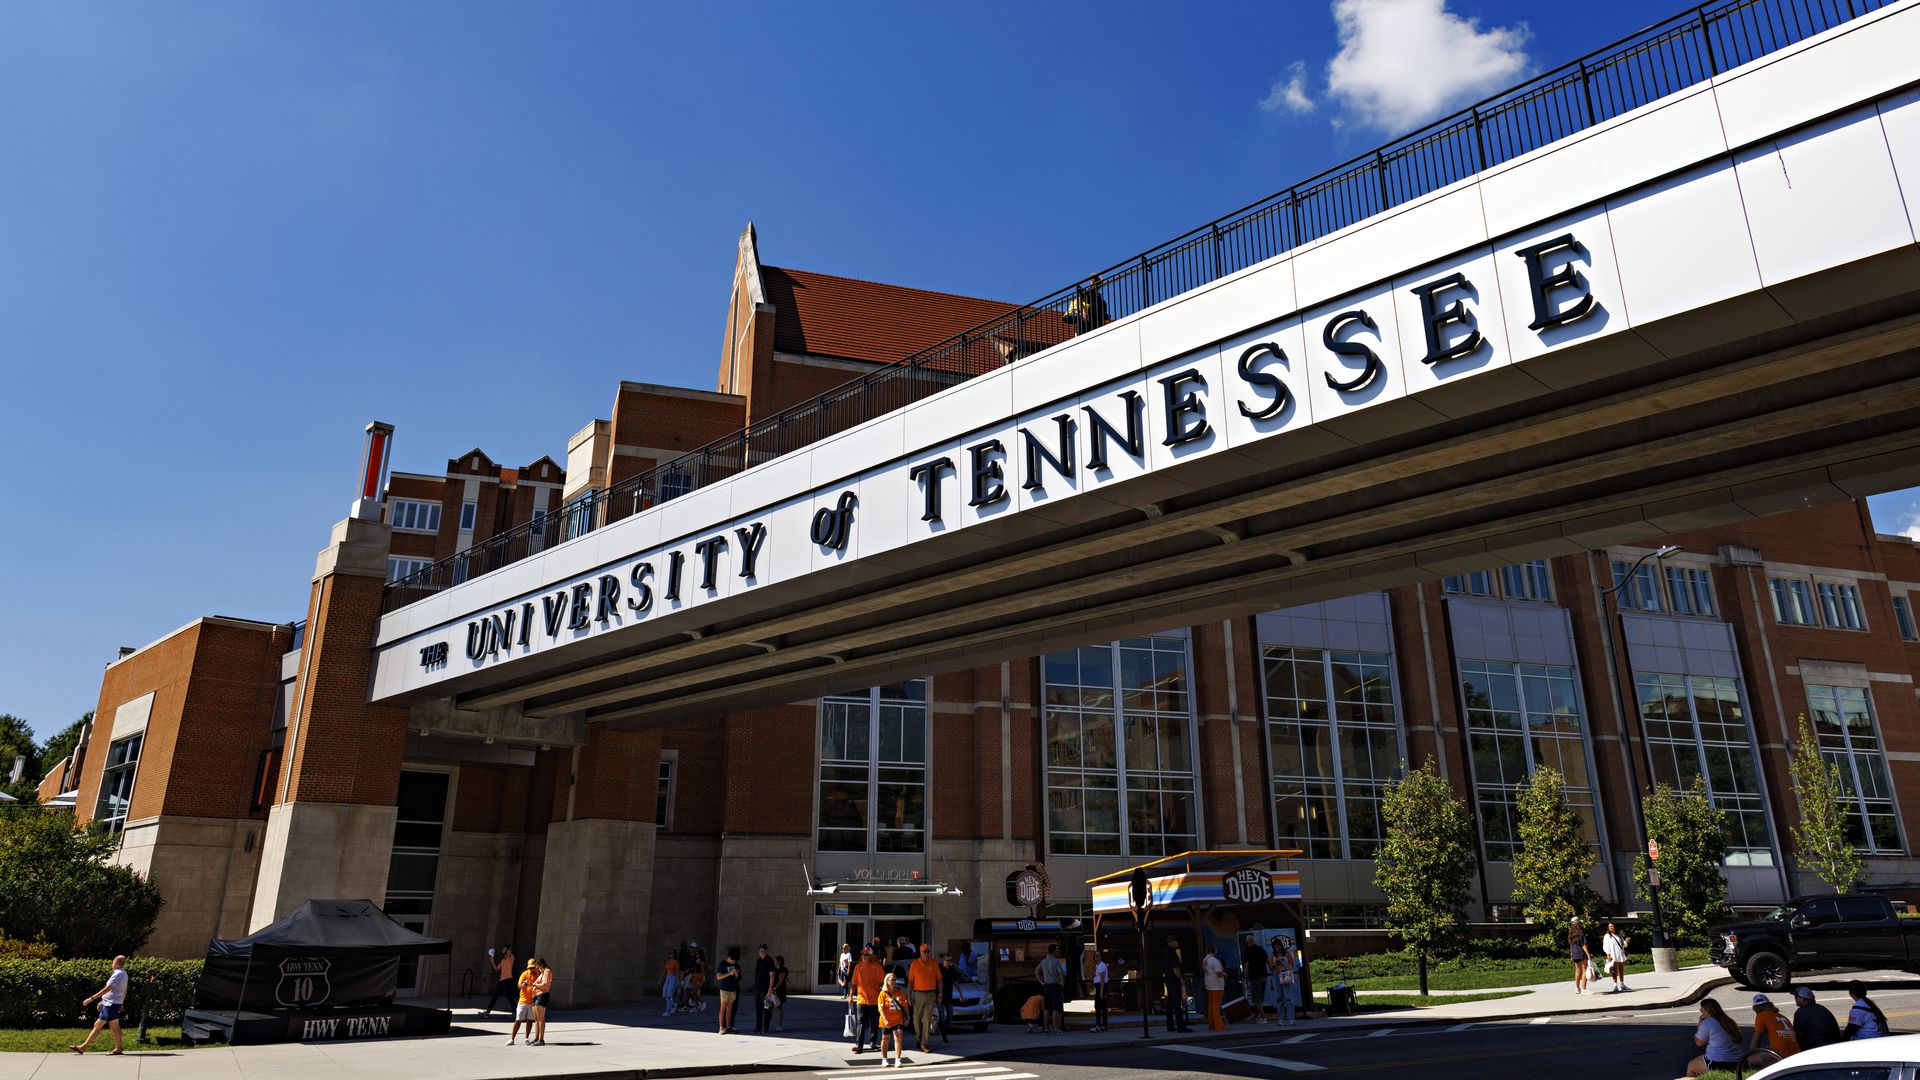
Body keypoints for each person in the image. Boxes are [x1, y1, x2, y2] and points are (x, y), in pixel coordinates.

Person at [70, 954, 129, 1055]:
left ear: (116, 963)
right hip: (112, 1003)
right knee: (98, 1025)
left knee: (114, 1026)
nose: (112, 963)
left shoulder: (117, 974)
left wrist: (91, 998)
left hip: (111, 1003)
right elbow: (125, 989)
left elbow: (107, 988)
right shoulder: (124, 973)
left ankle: (118, 1048)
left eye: (113, 961)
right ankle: (83, 1047)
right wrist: (121, 1002)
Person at [1682, 998, 1742, 1076]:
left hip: (1718, 1062)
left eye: (1701, 1010)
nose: (1701, 1013)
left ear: (1707, 1010)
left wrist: (1699, 1026)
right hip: (1738, 1061)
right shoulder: (1729, 1021)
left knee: (1691, 1066)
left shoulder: (1707, 1023)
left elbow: (1699, 1043)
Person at [852, 945, 885, 1053]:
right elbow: (854, 983)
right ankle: (859, 1045)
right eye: (863, 954)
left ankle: (872, 1043)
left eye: (866, 954)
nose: (864, 956)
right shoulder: (858, 967)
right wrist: (850, 995)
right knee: (860, 1022)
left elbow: (883, 983)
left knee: (873, 1023)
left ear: (871, 955)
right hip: (861, 1000)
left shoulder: (878, 967)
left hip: (874, 1000)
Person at [909, 943, 942, 1051]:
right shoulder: (915, 964)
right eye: (925, 952)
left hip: (931, 994)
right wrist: (909, 996)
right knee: (916, 1019)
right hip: (918, 994)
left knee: (928, 1019)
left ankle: (925, 1043)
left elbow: (939, 980)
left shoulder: (934, 963)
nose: (927, 953)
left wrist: (940, 994)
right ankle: (918, 1039)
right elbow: (910, 981)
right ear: (920, 952)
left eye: (928, 951)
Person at [1748, 994, 1802, 1060]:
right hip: (1796, 1053)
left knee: (1754, 1059)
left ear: (1755, 1008)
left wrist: (1751, 1054)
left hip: (1780, 1054)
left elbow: (1756, 1039)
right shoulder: (1782, 1016)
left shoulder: (1761, 1015)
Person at [878, 972, 910, 1068]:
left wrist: (908, 1016)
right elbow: (880, 1008)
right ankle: (884, 1059)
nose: (894, 981)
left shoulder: (900, 992)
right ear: (887, 981)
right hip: (886, 1020)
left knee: (898, 1038)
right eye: (892, 980)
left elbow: (905, 1005)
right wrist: (885, 1019)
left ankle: (898, 1060)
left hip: (898, 1019)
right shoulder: (883, 994)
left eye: (895, 980)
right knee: (885, 1039)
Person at [1036, 942, 1068, 1035]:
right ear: (1054, 951)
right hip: (1055, 985)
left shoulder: (1043, 961)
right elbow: (1061, 973)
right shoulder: (1056, 961)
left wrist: (1041, 982)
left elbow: (1036, 971)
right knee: (1055, 1008)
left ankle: (1046, 1028)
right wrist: (1062, 983)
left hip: (1046, 986)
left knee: (1046, 1008)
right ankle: (1056, 1028)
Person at [1162, 936, 1192, 1033]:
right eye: (1176, 940)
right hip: (1174, 981)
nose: (1177, 942)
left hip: (1168, 980)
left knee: (1170, 1004)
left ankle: (1170, 1025)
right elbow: (1175, 968)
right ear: (1172, 941)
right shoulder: (1172, 953)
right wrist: (1181, 979)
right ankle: (1181, 1026)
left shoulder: (1166, 952)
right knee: (1177, 1004)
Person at [508, 957, 538, 1045]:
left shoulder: (538, 974)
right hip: (523, 1001)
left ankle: (526, 1038)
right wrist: (524, 984)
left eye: (533, 967)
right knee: (518, 1020)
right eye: (530, 968)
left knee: (530, 1020)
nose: (531, 969)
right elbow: (519, 986)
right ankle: (512, 1039)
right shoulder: (524, 974)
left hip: (532, 1001)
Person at [1272, 940, 1301, 1027]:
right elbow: (1271, 966)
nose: (1277, 948)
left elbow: (1292, 964)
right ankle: (1281, 1019)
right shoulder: (1273, 954)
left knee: (1288, 997)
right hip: (1277, 975)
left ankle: (1291, 1019)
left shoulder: (1287, 953)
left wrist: (1284, 966)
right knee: (1279, 998)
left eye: (1279, 946)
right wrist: (1275, 964)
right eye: (1276, 947)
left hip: (1285, 975)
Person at [715, 947, 742, 1035]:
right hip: (724, 989)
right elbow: (718, 977)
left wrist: (736, 975)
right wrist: (729, 974)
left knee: (730, 1009)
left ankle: (729, 1026)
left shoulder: (737, 965)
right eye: (733, 960)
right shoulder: (722, 964)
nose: (734, 962)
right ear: (730, 958)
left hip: (733, 989)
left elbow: (738, 978)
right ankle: (721, 1027)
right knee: (722, 1008)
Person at [1202, 943, 1228, 1031]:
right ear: (1215, 950)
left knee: (1211, 1005)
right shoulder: (1214, 960)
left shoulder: (1205, 960)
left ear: (1207, 950)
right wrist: (1225, 974)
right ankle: (1219, 1025)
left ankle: (1212, 1024)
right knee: (1216, 1005)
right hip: (1217, 985)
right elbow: (1219, 973)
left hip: (1209, 985)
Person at [1243, 934, 1269, 1023]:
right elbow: (1268, 960)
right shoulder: (1260, 949)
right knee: (1260, 998)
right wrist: (1272, 969)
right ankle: (1257, 1016)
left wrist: (1245, 977)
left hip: (1254, 977)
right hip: (1263, 976)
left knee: (1257, 999)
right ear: (1253, 941)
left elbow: (1246, 965)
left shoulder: (1247, 951)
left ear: (1247, 941)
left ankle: (1263, 1018)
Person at [484, 945, 516, 1015]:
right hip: (502, 980)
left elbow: (510, 953)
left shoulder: (511, 958)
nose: (502, 949)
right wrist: (492, 961)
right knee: (495, 996)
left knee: (509, 997)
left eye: (504, 948)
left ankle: (515, 1012)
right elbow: (496, 969)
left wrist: (508, 949)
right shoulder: (503, 960)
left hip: (508, 980)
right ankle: (487, 1012)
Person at [530, 957, 553, 1046]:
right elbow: (536, 983)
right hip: (537, 995)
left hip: (542, 995)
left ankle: (541, 1039)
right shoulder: (542, 973)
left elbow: (544, 985)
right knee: (536, 1019)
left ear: (541, 965)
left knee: (540, 1019)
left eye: (538, 967)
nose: (538, 970)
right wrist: (530, 984)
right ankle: (536, 1038)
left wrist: (534, 984)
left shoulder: (547, 971)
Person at [752, 944, 776, 1034]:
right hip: (757, 988)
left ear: (766, 951)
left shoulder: (770, 961)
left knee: (767, 1008)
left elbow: (772, 975)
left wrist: (770, 988)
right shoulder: (758, 961)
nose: (761, 952)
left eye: (763, 951)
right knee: (758, 1008)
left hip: (766, 989)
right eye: (760, 951)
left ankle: (765, 1028)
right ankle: (758, 1027)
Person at [936, 952, 959, 1042]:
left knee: (950, 1015)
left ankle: (942, 1029)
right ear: (944, 960)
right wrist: (938, 994)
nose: (949, 962)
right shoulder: (939, 969)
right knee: (941, 1016)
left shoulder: (952, 970)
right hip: (940, 997)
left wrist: (960, 993)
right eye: (947, 960)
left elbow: (956, 982)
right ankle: (944, 1035)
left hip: (949, 996)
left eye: (950, 960)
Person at [1603, 922, 1630, 993]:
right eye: (1609, 926)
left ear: (1615, 926)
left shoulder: (1618, 935)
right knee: (1614, 970)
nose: (1611, 927)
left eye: (1612, 926)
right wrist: (1608, 954)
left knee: (1621, 970)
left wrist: (1626, 942)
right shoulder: (1607, 936)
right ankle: (1615, 985)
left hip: (1620, 954)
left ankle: (1622, 984)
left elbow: (1623, 945)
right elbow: (1605, 946)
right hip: (1613, 955)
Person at [1090, 949, 1111, 1033]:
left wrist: (1102, 991)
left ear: (1101, 957)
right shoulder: (1098, 965)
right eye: (1095, 955)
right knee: (1102, 1006)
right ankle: (1104, 1025)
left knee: (1098, 1007)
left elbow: (1102, 978)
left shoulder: (1101, 965)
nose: (1096, 957)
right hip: (1100, 987)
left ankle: (1098, 1025)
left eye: (1098, 955)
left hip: (1101, 987)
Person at [1568, 917, 1590, 994]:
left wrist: (1571, 954)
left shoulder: (1570, 933)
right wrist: (1588, 954)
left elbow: (1571, 945)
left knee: (1577, 971)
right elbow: (1583, 944)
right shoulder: (1581, 932)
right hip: (1581, 953)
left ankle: (1577, 988)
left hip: (1574, 954)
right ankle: (1584, 989)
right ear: (1578, 923)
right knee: (1585, 971)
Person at [770, 954, 789, 1032]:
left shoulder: (783, 969)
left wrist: (774, 988)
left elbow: (781, 981)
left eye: (775, 961)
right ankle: (767, 1024)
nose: (774, 962)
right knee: (770, 1007)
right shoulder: (774, 969)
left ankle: (780, 1025)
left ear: (779, 961)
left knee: (779, 1007)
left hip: (779, 991)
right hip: (773, 990)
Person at [661, 950, 681, 1017]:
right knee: (665, 994)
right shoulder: (667, 961)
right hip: (667, 978)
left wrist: (678, 981)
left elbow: (677, 972)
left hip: (673, 978)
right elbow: (665, 970)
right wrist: (661, 978)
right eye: (669, 953)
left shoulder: (676, 962)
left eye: (671, 953)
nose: (670, 954)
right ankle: (673, 1005)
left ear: (674, 954)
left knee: (669, 995)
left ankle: (668, 1011)